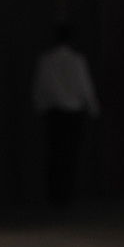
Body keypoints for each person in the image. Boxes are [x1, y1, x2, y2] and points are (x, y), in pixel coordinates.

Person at [32, 22, 100, 205]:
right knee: (70, 153)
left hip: (55, 113)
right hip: (72, 113)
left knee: (55, 153)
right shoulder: (76, 61)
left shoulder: (48, 60)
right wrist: (93, 107)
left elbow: (40, 86)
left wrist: (39, 106)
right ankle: (66, 195)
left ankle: (57, 195)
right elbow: (85, 87)